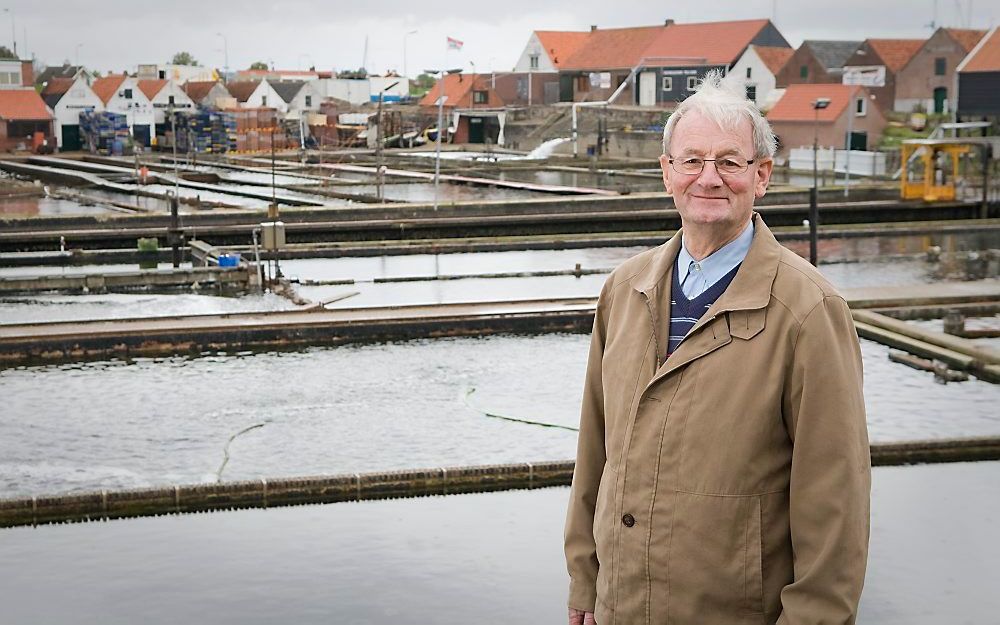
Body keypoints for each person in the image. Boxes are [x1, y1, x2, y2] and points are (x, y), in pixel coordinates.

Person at [564, 71, 871, 625]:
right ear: (667, 174)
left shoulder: (808, 311)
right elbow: (595, 450)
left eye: (730, 162)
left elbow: (836, 500)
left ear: (763, 176)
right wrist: (585, 578)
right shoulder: (623, 291)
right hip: (619, 607)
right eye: (692, 161)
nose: (709, 179)